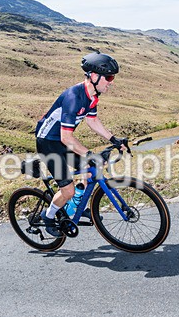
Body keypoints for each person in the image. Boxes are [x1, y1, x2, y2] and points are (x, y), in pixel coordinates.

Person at [35, 52, 125, 237]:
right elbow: (66, 138)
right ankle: (48, 215)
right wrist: (90, 153)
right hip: (48, 143)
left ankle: (76, 206)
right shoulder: (73, 98)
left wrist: (113, 139)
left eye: (112, 77)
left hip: (61, 140)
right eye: (108, 77)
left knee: (88, 170)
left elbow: (92, 121)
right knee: (67, 189)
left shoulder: (92, 96)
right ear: (94, 76)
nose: (111, 81)